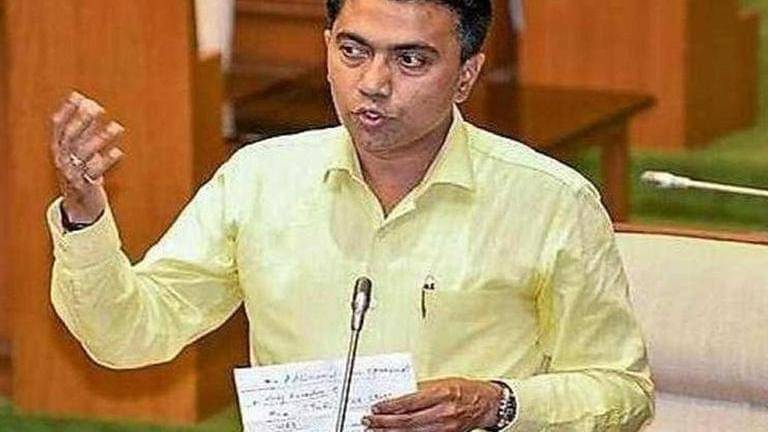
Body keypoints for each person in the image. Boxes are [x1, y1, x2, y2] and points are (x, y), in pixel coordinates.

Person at [47, 0, 654, 430]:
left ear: (466, 74)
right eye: (353, 51)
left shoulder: (551, 201)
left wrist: (497, 404)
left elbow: (622, 391)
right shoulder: (260, 179)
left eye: (410, 60)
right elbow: (127, 335)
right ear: (327, 49)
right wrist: (84, 215)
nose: (373, 83)